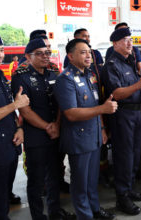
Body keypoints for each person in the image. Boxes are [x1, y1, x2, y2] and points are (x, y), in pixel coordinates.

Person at [12, 38, 75, 220]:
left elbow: (60, 103)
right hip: (36, 135)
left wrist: (56, 124)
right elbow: (25, 110)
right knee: (36, 180)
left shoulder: (54, 73)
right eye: (39, 53)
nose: (45, 56)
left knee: (55, 174)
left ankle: (55, 211)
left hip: (55, 131)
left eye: (47, 52)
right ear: (28, 56)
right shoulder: (21, 77)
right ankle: (38, 216)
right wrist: (48, 126)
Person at [54, 38, 116, 220]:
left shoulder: (89, 75)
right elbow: (71, 113)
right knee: (80, 183)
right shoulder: (65, 79)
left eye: (89, 52)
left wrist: (103, 127)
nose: (88, 55)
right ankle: (85, 215)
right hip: (78, 139)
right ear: (70, 56)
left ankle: (95, 210)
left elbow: (94, 104)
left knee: (91, 180)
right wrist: (103, 109)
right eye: (83, 52)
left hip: (95, 135)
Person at [101, 28, 141, 216]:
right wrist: (139, 85)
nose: (130, 43)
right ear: (115, 43)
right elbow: (116, 93)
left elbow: (134, 88)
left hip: (137, 114)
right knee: (124, 156)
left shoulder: (129, 62)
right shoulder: (111, 65)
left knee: (135, 153)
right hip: (123, 115)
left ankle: (129, 188)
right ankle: (122, 197)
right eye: (125, 40)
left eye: (131, 40)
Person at [0, 34, 29, 220]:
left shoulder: (0, 75)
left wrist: (19, 128)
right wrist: (16, 105)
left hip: (9, 145)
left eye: (1, 50)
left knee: (4, 195)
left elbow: (10, 107)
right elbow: (13, 105)